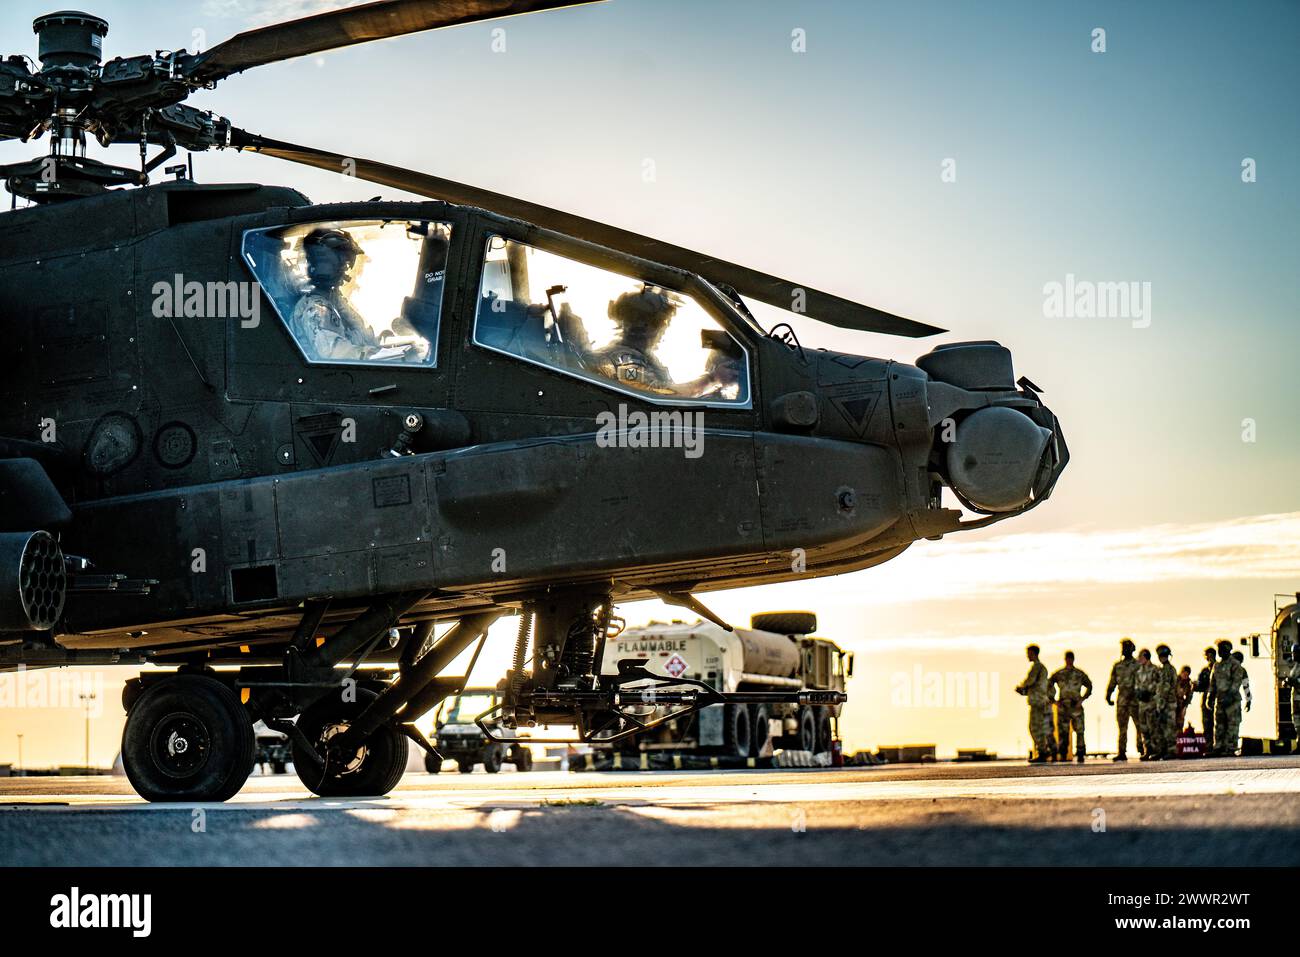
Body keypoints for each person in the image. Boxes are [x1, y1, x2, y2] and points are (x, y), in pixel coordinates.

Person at [289, 227, 383, 361]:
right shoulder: (317, 310)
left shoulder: (332, 302)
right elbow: (340, 355)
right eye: (343, 263)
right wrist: (378, 355)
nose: (345, 268)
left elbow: (362, 336)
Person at [1015, 644, 1055, 763]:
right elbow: (1035, 686)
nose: (1027, 655)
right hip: (1039, 700)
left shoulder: (1037, 667)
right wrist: (1023, 691)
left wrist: (1021, 687)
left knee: (1035, 727)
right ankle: (1044, 750)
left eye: (1029, 653)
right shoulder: (1041, 668)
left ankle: (1043, 751)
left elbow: (1030, 681)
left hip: (1037, 702)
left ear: (1034, 653)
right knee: (1038, 727)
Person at [1050, 651, 1092, 762]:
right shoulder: (1059, 673)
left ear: (1073, 659)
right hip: (1063, 705)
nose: (1069, 660)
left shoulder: (1079, 674)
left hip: (1075, 705)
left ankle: (1080, 754)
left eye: (1070, 658)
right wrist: (1053, 700)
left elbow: (1089, 686)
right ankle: (1063, 754)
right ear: (1065, 659)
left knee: (1080, 730)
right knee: (1063, 731)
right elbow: (1049, 684)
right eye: (1067, 658)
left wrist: (1082, 699)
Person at [1106, 638, 1142, 761]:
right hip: (1122, 701)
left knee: (1140, 726)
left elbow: (1142, 681)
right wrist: (1108, 695)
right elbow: (1112, 682)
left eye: (1127, 648)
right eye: (1123, 648)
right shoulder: (1118, 666)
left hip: (1135, 700)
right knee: (1122, 728)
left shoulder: (1138, 665)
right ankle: (1122, 752)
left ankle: (1142, 749)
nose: (1124, 650)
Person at [1208, 640, 1246, 757]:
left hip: (1232, 701)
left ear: (1227, 650)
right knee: (1218, 725)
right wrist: (1210, 697)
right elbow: (1213, 683)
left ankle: (1230, 747)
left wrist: (1230, 695)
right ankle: (1218, 747)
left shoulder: (1235, 665)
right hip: (1219, 700)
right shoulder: (1217, 665)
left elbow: (1237, 681)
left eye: (1221, 649)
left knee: (1232, 724)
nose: (1219, 651)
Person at [1134, 649, 1163, 760]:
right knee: (1144, 728)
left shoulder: (1154, 669)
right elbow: (1136, 685)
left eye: (1141, 657)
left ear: (1146, 657)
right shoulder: (1139, 671)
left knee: (1153, 727)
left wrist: (1149, 691)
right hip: (1142, 703)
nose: (1139, 659)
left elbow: (1158, 684)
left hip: (1151, 702)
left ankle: (1156, 751)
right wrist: (1139, 692)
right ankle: (1148, 750)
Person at [1154, 645, 1178, 759]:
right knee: (1160, 728)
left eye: (1164, 656)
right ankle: (1161, 750)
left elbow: (1167, 688)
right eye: (1160, 656)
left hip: (1168, 703)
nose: (1162, 658)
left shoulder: (1169, 669)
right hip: (1161, 704)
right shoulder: (1161, 669)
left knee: (1169, 728)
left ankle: (1171, 750)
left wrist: (1162, 704)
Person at [1196, 646, 1216, 740]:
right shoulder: (1204, 671)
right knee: (1207, 724)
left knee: (1218, 724)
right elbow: (1199, 685)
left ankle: (1217, 745)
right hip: (1206, 699)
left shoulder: (1219, 668)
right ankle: (1208, 745)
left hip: (1217, 699)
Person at [1285, 643, 1300, 740]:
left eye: (1294, 653)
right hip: (1295, 698)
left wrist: (1293, 681)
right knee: (1297, 722)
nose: (1292, 655)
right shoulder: (1296, 666)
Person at [1175, 665, 1193, 733]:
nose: (1185, 676)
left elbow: (1189, 696)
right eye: (1184, 674)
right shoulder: (1175, 680)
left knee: (1180, 724)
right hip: (1172, 703)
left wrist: (1185, 707)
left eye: (1187, 675)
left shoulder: (1188, 683)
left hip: (1181, 704)